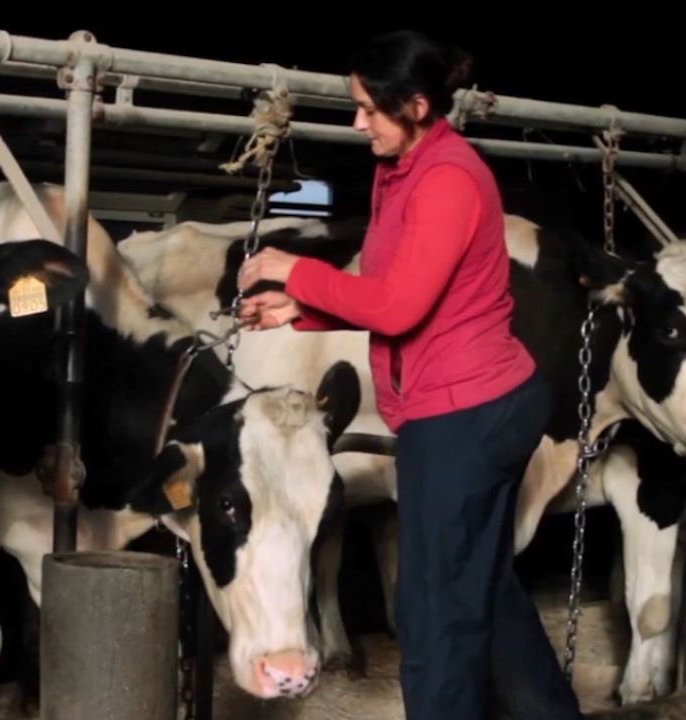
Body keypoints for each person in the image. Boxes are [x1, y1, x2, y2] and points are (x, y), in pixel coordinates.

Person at [236, 29, 586, 720]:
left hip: (467, 415)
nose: (357, 121)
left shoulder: (450, 180)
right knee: (481, 591)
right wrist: (299, 309)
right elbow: (388, 285)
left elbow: (398, 307)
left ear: (418, 106)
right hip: (466, 404)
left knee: (432, 615)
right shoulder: (399, 172)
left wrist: (292, 266)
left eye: (369, 108)